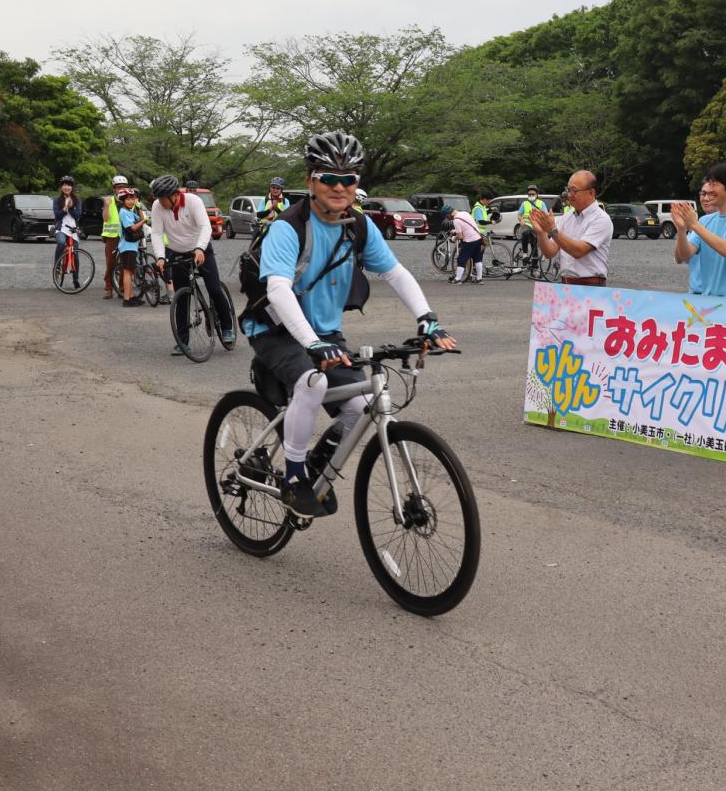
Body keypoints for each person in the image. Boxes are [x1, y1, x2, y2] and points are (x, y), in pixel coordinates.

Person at [243, 130, 454, 518]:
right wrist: (311, 343)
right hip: (275, 329)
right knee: (314, 381)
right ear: (311, 180)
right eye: (329, 177)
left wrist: (427, 320)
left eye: (349, 178)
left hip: (326, 334)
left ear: (357, 183)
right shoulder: (288, 227)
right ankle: (292, 477)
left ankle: (315, 468)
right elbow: (277, 290)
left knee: (363, 405)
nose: (339, 186)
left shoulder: (359, 226)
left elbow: (396, 273)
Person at [150, 175, 236, 350]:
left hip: (201, 249)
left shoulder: (193, 201)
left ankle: (227, 327)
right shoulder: (157, 206)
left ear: (174, 195)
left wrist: (200, 248)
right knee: (182, 297)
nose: (160, 201)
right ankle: (183, 341)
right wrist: (160, 256)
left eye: (162, 197)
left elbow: (206, 226)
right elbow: (157, 233)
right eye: (157, 198)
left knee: (214, 289)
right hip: (177, 252)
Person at [671, 162, 726, 300]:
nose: (709, 190)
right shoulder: (705, 221)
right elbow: (684, 256)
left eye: (715, 184)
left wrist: (694, 224)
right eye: (709, 183)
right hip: (709, 300)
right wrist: (681, 230)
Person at [528, 170, 610, 286]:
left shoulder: (601, 219)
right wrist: (541, 233)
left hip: (591, 287)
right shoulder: (567, 217)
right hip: (566, 284)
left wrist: (552, 230)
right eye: (568, 190)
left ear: (591, 192)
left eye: (574, 190)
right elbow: (549, 252)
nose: (569, 195)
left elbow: (578, 251)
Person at [116, 188, 147, 305]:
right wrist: (143, 221)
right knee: (128, 272)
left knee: (130, 271)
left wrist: (138, 207)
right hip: (127, 246)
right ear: (123, 201)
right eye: (128, 199)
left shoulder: (130, 211)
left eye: (132, 199)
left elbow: (140, 218)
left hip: (132, 246)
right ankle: (127, 299)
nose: (130, 201)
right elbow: (131, 228)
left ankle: (131, 296)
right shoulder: (123, 212)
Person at [101, 175, 128, 299]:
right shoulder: (109, 200)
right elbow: (105, 218)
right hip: (112, 236)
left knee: (124, 262)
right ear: (114, 189)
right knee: (110, 262)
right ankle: (108, 287)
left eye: (123, 187)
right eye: (118, 187)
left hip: (126, 235)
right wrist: (106, 205)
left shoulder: (129, 200)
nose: (121, 189)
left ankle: (122, 287)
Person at [449, 203, 484, 284]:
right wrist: (456, 230)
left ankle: (457, 280)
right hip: (478, 238)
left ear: (449, 214)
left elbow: (460, 236)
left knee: (461, 259)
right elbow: (467, 226)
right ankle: (479, 279)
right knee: (477, 259)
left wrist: (454, 238)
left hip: (470, 241)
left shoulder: (456, 220)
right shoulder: (465, 213)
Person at [53, 175, 81, 270]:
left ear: (72, 187)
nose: (67, 187)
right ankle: (57, 266)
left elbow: (77, 216)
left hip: (73, 229)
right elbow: (57, 215)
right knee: (61, 242)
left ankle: (76, 280)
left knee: (75, 254)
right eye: (64, 185)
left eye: (69, 185)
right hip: (61, 228)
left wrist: (72, 207)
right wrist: (65, 208)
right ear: (61, 187)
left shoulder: (76, 200)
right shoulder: (57, 200)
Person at [516, 185, 547, 267]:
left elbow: (546, 215)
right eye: (529, 194)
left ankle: (534, 267)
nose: (531, 196)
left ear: (537, 194)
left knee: (535, 246)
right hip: (526, 224)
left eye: (533, 194)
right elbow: (519, 214)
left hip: (536, 226)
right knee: (525, 233)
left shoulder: (541, 203)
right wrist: (521, 220)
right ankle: (525, 253)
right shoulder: (524, 203)